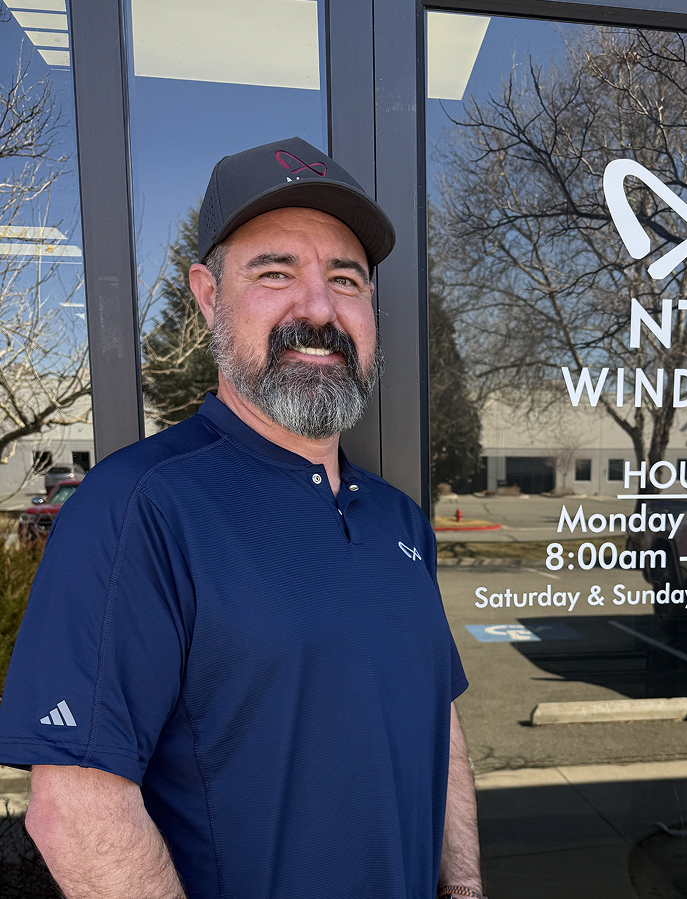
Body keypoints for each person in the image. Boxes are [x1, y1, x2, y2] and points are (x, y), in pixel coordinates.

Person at [0, 137, 483, 899]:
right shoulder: (139, 508)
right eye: (275, 272)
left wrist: (466, 887)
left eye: (345, 279)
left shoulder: (400, 520)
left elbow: (440, 727)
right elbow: (77, 812)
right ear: (206, 293)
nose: (318, 308)